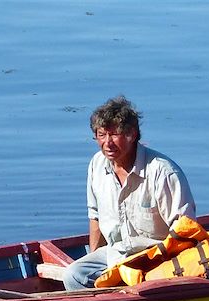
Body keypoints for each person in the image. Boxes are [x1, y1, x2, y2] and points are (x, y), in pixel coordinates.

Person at [62, 96, 196, 290]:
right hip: (116, 255)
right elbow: (96, 217)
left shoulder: (162, 172)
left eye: (114, 134)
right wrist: (98, 266)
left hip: (156, 259)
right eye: (101, 135)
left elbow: (185, 230)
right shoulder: (97, 165)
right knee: (74, 275)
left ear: (132, 134)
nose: (107, 143)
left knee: (142, 286)